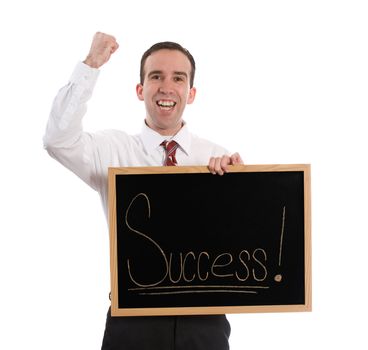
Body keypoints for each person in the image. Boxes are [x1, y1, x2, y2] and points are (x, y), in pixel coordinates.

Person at [43, 32, 243, 350]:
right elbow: (58, 140)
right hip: (134, 317)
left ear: (190, 93)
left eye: (178, 78)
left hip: (204, 320)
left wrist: (241, 190)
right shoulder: (113, 151)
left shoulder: (216, 157)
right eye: (156, 77)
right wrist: (91, 65)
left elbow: (240, 244)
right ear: (141, 89)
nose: (166, 87)